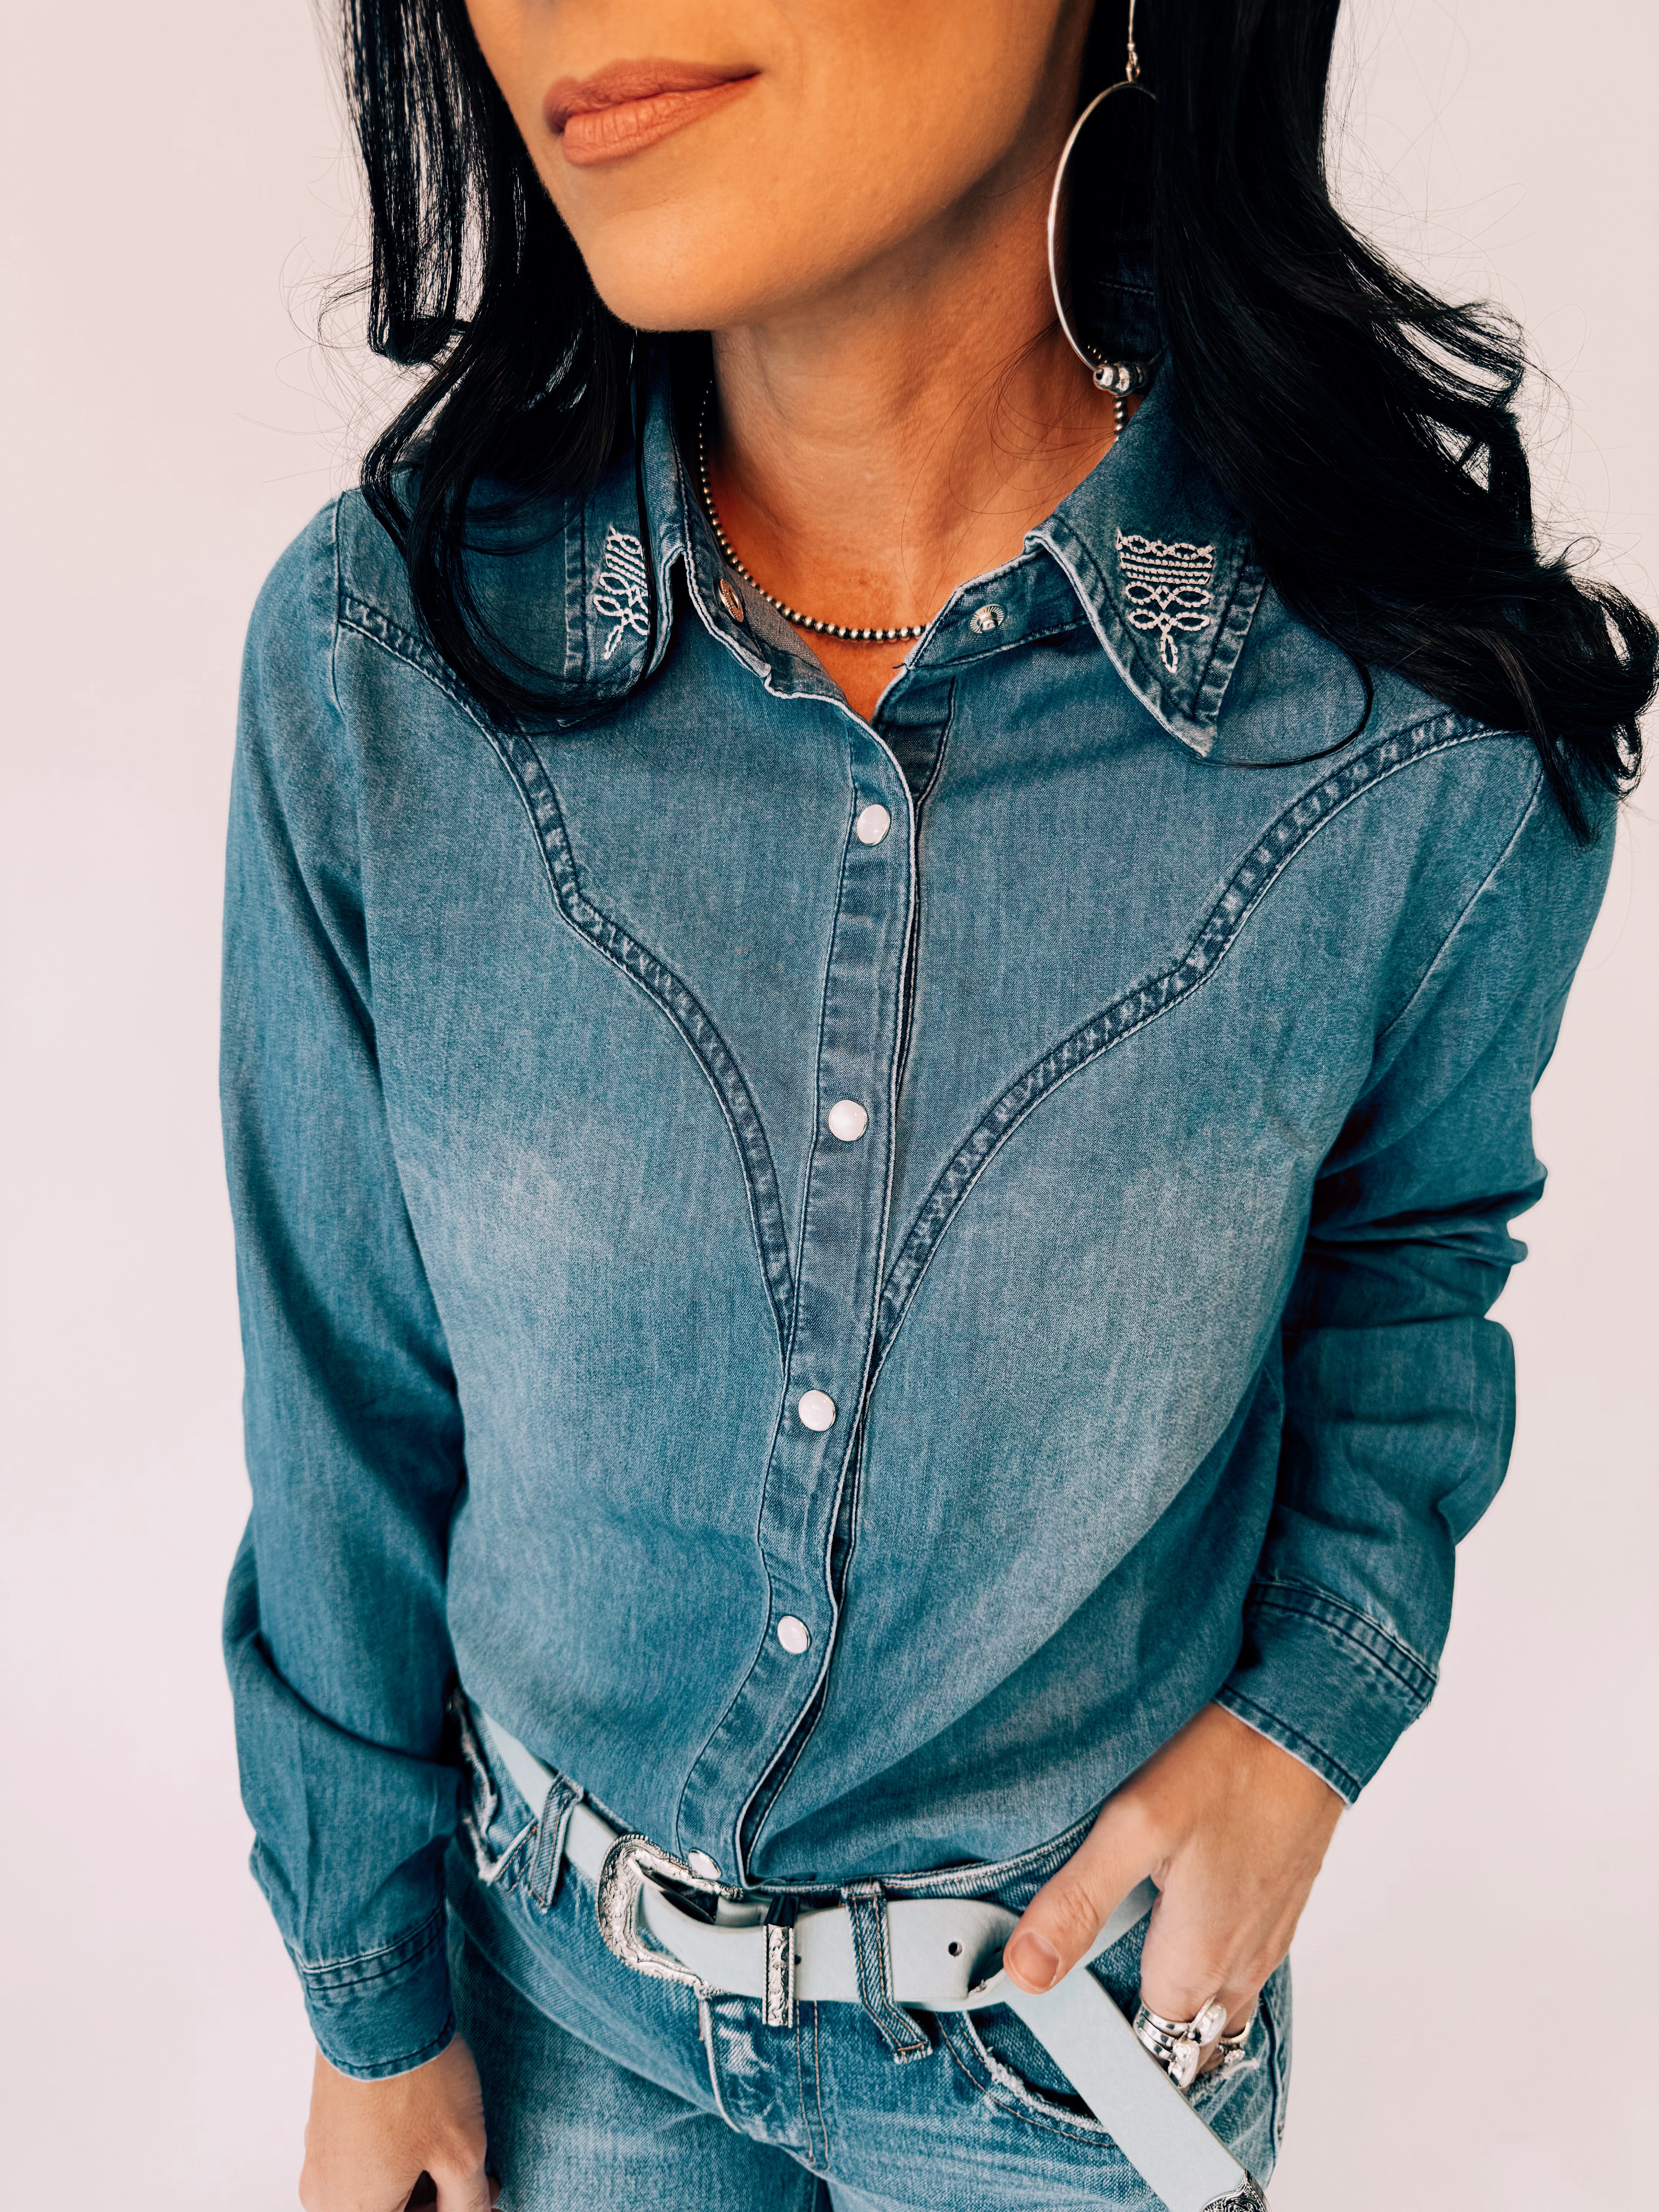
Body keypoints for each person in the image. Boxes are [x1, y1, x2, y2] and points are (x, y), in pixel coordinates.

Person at [220, 2, 1653, 2207]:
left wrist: (1311, 1723)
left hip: (1074, 2062)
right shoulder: (378, 663)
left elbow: (1405, 1270)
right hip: (549, 2019)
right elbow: (347, 1399)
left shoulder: (1425, 744)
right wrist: (371, 1996)